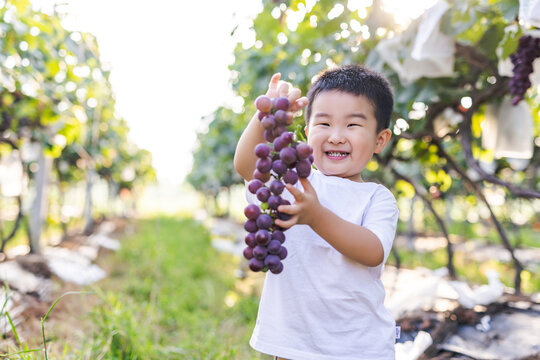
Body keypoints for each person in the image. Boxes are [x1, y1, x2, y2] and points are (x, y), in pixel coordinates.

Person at [234, 64, 398, 360]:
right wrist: (265, 116)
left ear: (380, 140)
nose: (336, 136)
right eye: (324, 124)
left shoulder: (377, 198)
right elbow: (246, 165)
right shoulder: (295, 183)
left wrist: (316, 217)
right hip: (293, 342)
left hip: (359, 347)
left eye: (353, 125)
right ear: (307, 132)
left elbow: (373, 251)